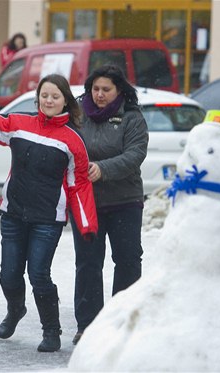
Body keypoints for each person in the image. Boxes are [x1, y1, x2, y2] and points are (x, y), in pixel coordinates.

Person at [0, 74, 98, 352]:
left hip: (48, 219)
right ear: (38, 97)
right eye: (44, 95)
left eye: (55, 96)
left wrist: (86, 224)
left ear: (65, 101)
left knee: (39, 274)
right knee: (9, 275)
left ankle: (51, 331)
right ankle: (16, 310)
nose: (48, 101)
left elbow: (79, 184)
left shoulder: (72, 140)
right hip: (13, 213)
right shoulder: (19, 123)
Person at [70, 64, 149, 345]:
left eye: (106, 90)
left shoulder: (132, 117)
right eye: (96, 89)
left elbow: (135, 154)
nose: (100, 95)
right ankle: (87, 326)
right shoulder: (77, 115)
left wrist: (102, 169)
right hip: (86, 202)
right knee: (88, 263)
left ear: (119, 91)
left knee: (127, 261)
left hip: (124, 201)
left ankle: (123, 322)